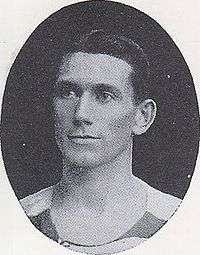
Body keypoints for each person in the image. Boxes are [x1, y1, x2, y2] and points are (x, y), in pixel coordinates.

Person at [19, 30, 182, 254]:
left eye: (104, 95)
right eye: (68, 92)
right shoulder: (16, 217)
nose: (80, 114)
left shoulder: (179, 220)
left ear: (142, 116)